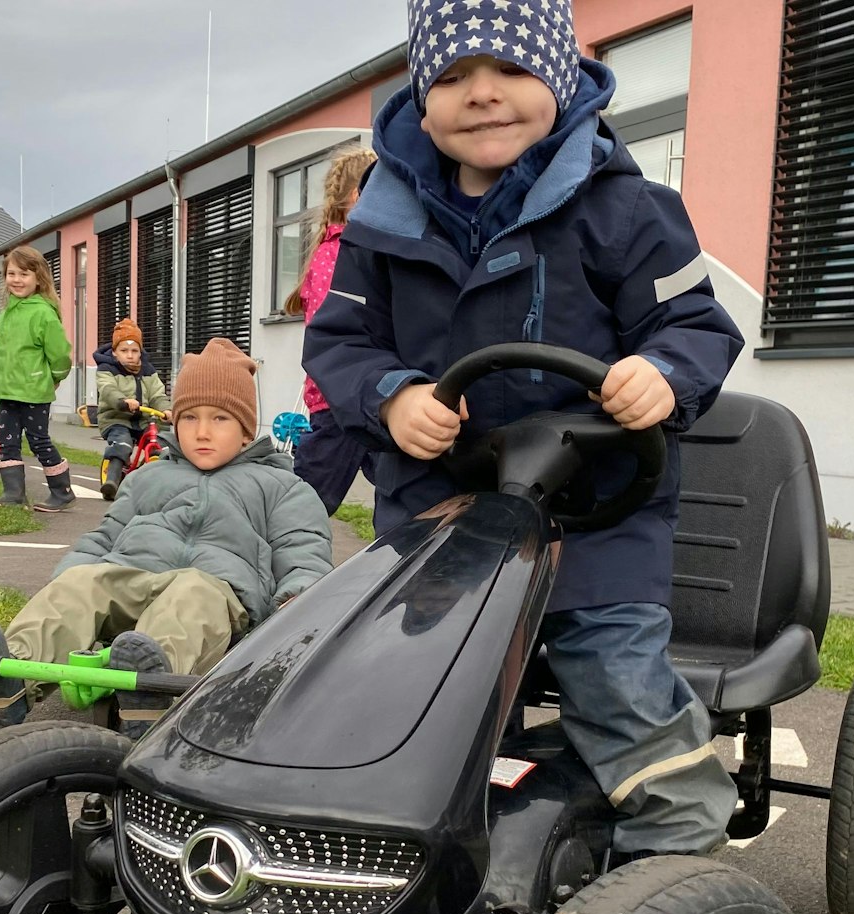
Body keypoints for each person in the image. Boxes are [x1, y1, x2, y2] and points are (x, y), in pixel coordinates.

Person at [302, 0, 747, 861]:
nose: (484, 94)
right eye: (455, 76)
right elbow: (340, 343)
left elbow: (696, 325)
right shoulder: (381, 224)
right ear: (422, 96)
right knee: (398, 688)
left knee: (613, 678)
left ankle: (677, 833)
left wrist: (662, 374)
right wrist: (391, 397)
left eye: (509, 69)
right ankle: (411, 851)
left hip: (598, 521)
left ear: (560, 75)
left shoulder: (627, 209)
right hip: (440, 516)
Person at [0, 338, 332, 737]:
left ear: (246, 428)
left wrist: (297, 596)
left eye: (220, 419)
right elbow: (106, 534)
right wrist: (72, 573)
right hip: (132, 573)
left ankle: (148, 688)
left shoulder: (280, 486)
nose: (202, 432)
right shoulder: (150, 475)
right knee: (82, 583)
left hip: (216, 589)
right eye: (189, 418)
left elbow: (303, 550)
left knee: (192, 594)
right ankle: (8, 680)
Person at [283, 144, 378, 514]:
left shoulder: (352, 250)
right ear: (359, 196)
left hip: (365, 395)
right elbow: (334, 328)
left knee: (404, 491)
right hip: (340, 401)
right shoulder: (339, 254)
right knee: (306, 506)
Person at [0, 247, 76, 513]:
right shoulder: (6, 313)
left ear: (39, 278)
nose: (16, 279)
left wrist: (55, 377)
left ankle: (62, 491)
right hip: (8, 389)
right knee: (7, 439)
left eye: (23, 274)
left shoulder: (43, 313)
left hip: (34, 390)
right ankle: (13, 492)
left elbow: (59, 354)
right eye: (11, 273)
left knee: (38, 440)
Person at [93, 318, 172, 500]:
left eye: (134, 351)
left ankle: (158, 478)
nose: (130, 355)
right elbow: (107, 389)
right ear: (114, 353)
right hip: (116, 418)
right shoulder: (107, 369)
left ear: (140, 352)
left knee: (162, 443)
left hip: (144, 419)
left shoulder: (148, 371)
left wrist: (166, 410)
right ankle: (111, 481)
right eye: (124, 350)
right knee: (122, 443)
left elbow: (157, 395)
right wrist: (122, 401)